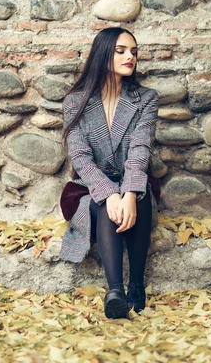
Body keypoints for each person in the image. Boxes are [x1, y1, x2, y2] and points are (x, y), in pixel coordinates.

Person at [59, 28, 159, 319]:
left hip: (134, 181)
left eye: (134, 52)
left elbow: (140, 150)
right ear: (103, 54)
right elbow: (80, 158)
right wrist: (110, 193)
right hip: (89, 190)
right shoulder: (75, 102)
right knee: (105, 204)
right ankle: (115, 290)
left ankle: (136, 286)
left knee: (137, 197)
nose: (130, 57)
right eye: (121, 51)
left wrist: (128, 193)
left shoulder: (145, 99)